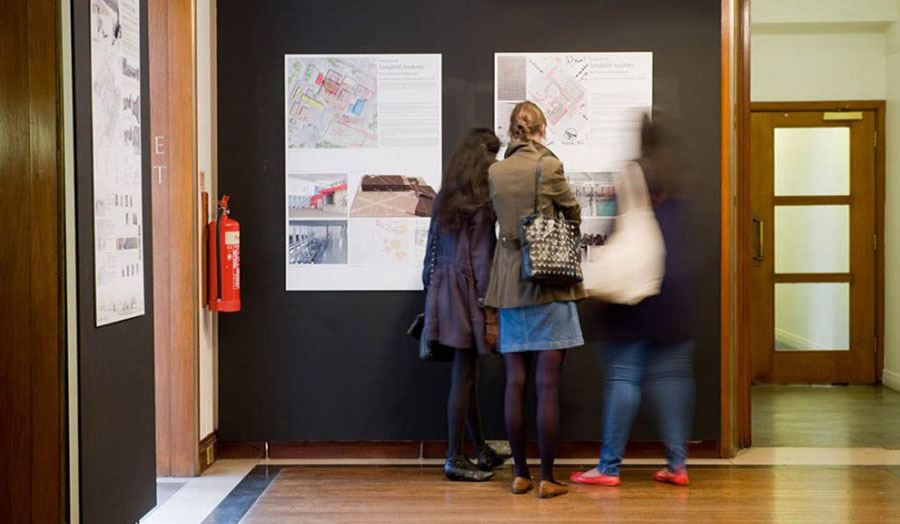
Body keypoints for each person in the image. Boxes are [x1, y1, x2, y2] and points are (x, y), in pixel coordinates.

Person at [571, 113, 697, 488]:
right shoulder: (680, 179)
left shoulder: (631, 174)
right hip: (676, 292)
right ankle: (677, 465)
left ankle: (609, 468)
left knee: (624, 375)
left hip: (636, 293)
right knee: (673, 377)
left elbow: (615, 230)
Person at [484, 101, 586, 499]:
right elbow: (573, 213)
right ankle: (546, 477)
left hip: (509, 284)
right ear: (542, 129)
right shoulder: (549, 166)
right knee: (547, 387)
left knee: (515, 383)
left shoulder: (494, 170)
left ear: (512, 131)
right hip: (548, 283)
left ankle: (519, 474)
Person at [421, 128, 510, 482]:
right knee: (464, 376)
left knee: (466, 374)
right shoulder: (482, 204)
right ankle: (454, 457)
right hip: (467, 292)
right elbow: (481, 260)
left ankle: (480, 449)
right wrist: (488, 310)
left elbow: (429, 256)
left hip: (443, 289)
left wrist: (431, 294)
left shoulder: (445, 197)